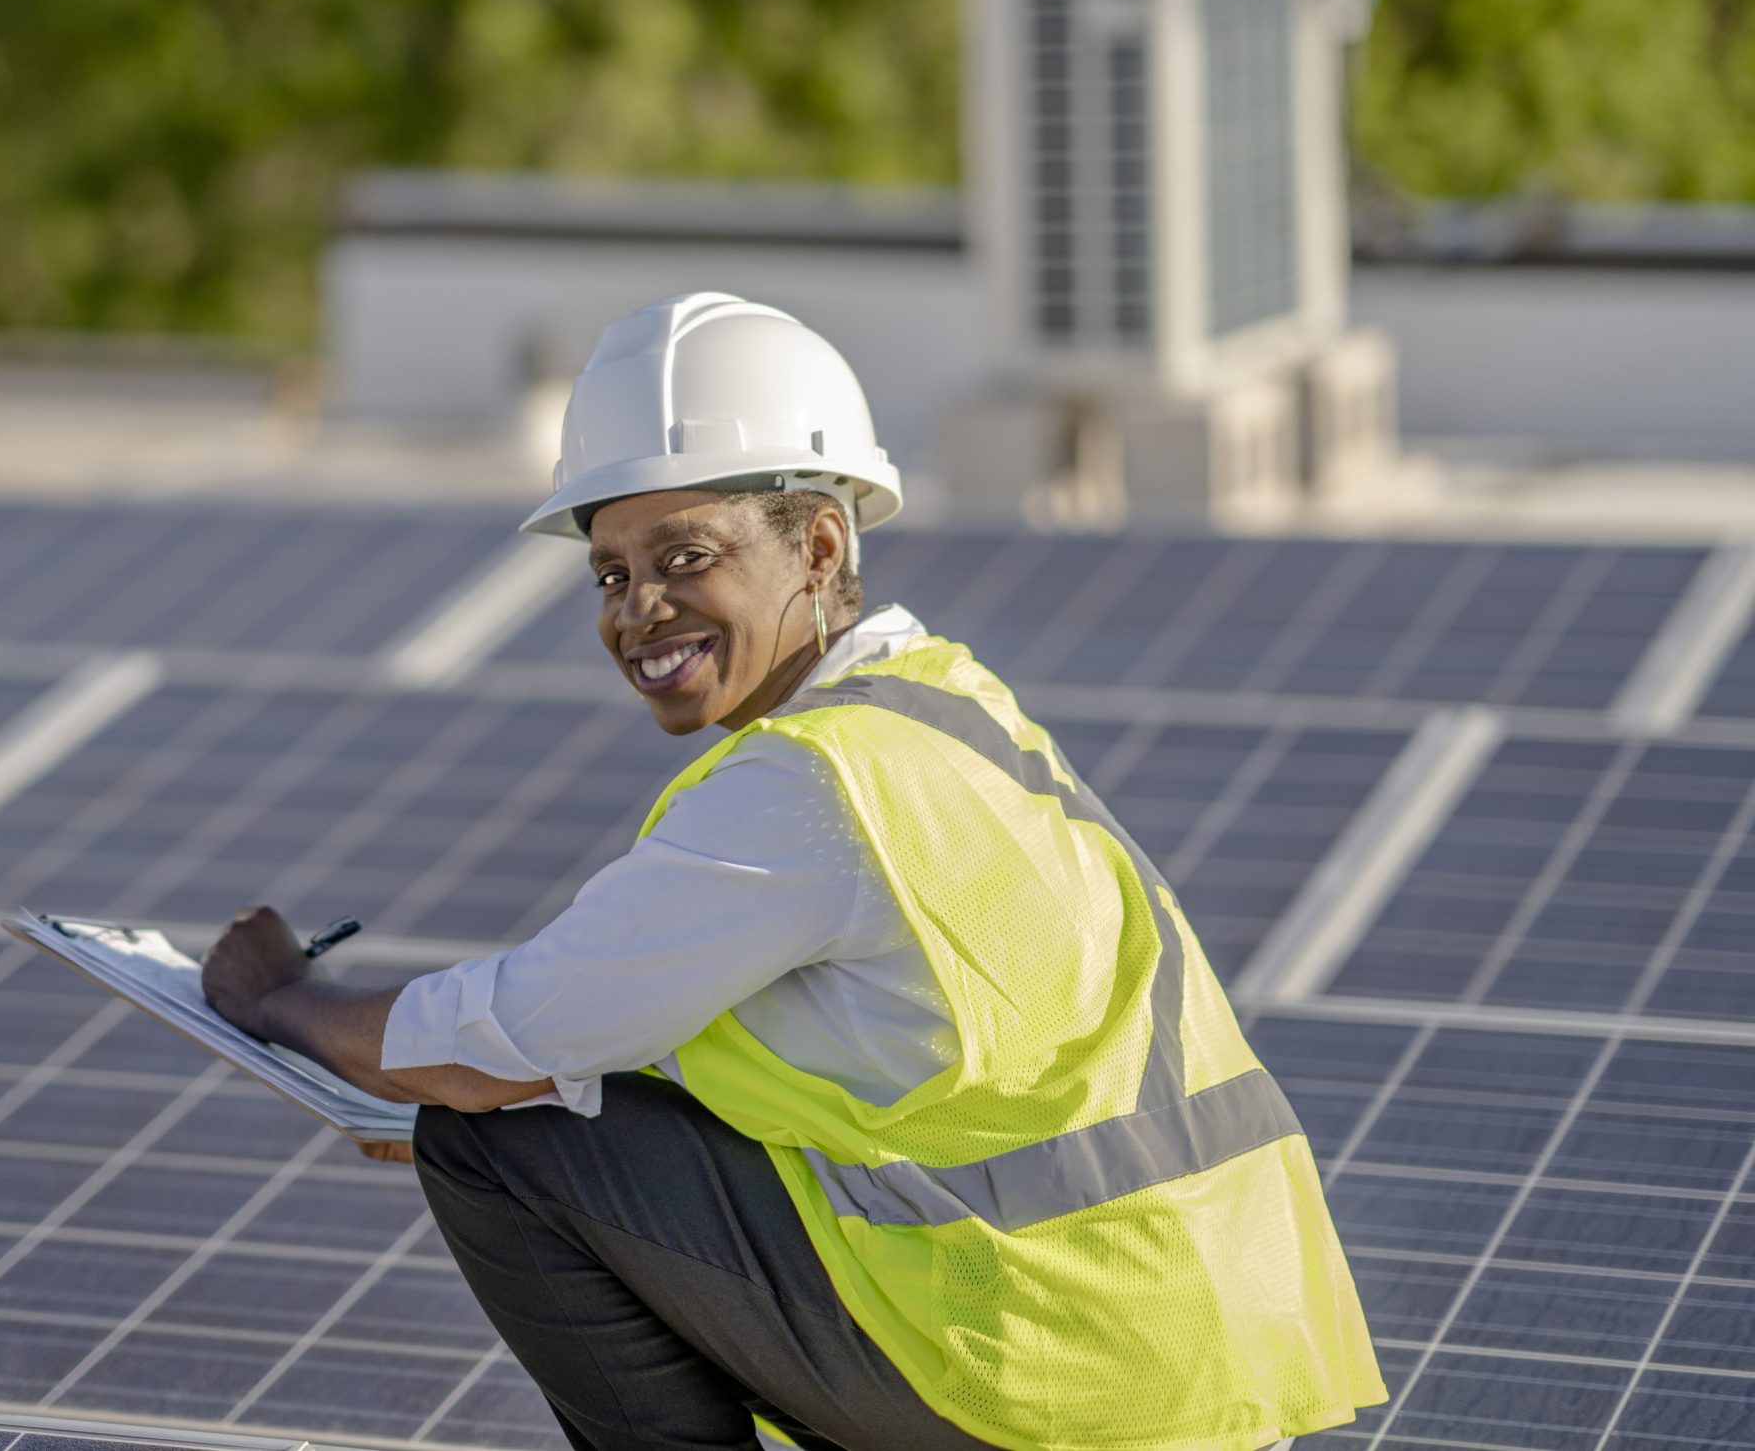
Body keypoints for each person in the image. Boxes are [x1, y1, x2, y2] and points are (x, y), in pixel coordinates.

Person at [201, 292, 1384, 1451]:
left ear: (818, 544)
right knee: (542, 1101)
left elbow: (501, 1034)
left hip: (1050, 1372)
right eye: (611, 574)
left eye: (686, 554)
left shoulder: (809, 788)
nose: (639, 611)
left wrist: (279, 1002)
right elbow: (847, 1049)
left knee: (498, 1140)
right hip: (1180, 1348)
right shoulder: (944, 709)